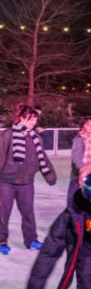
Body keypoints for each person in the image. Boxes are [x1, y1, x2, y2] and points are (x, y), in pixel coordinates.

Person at [0, 104, 57, 254]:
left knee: (28, 212)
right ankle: (1, 241)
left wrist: (50, 175)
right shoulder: (8, 134)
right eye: (31, 119)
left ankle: (31, 239)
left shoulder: (36, 137)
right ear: (22, 118)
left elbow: (42, 157)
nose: (34, 122)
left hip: (26, 181)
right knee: (2, 213)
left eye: (35, 120)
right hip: (6, 181)